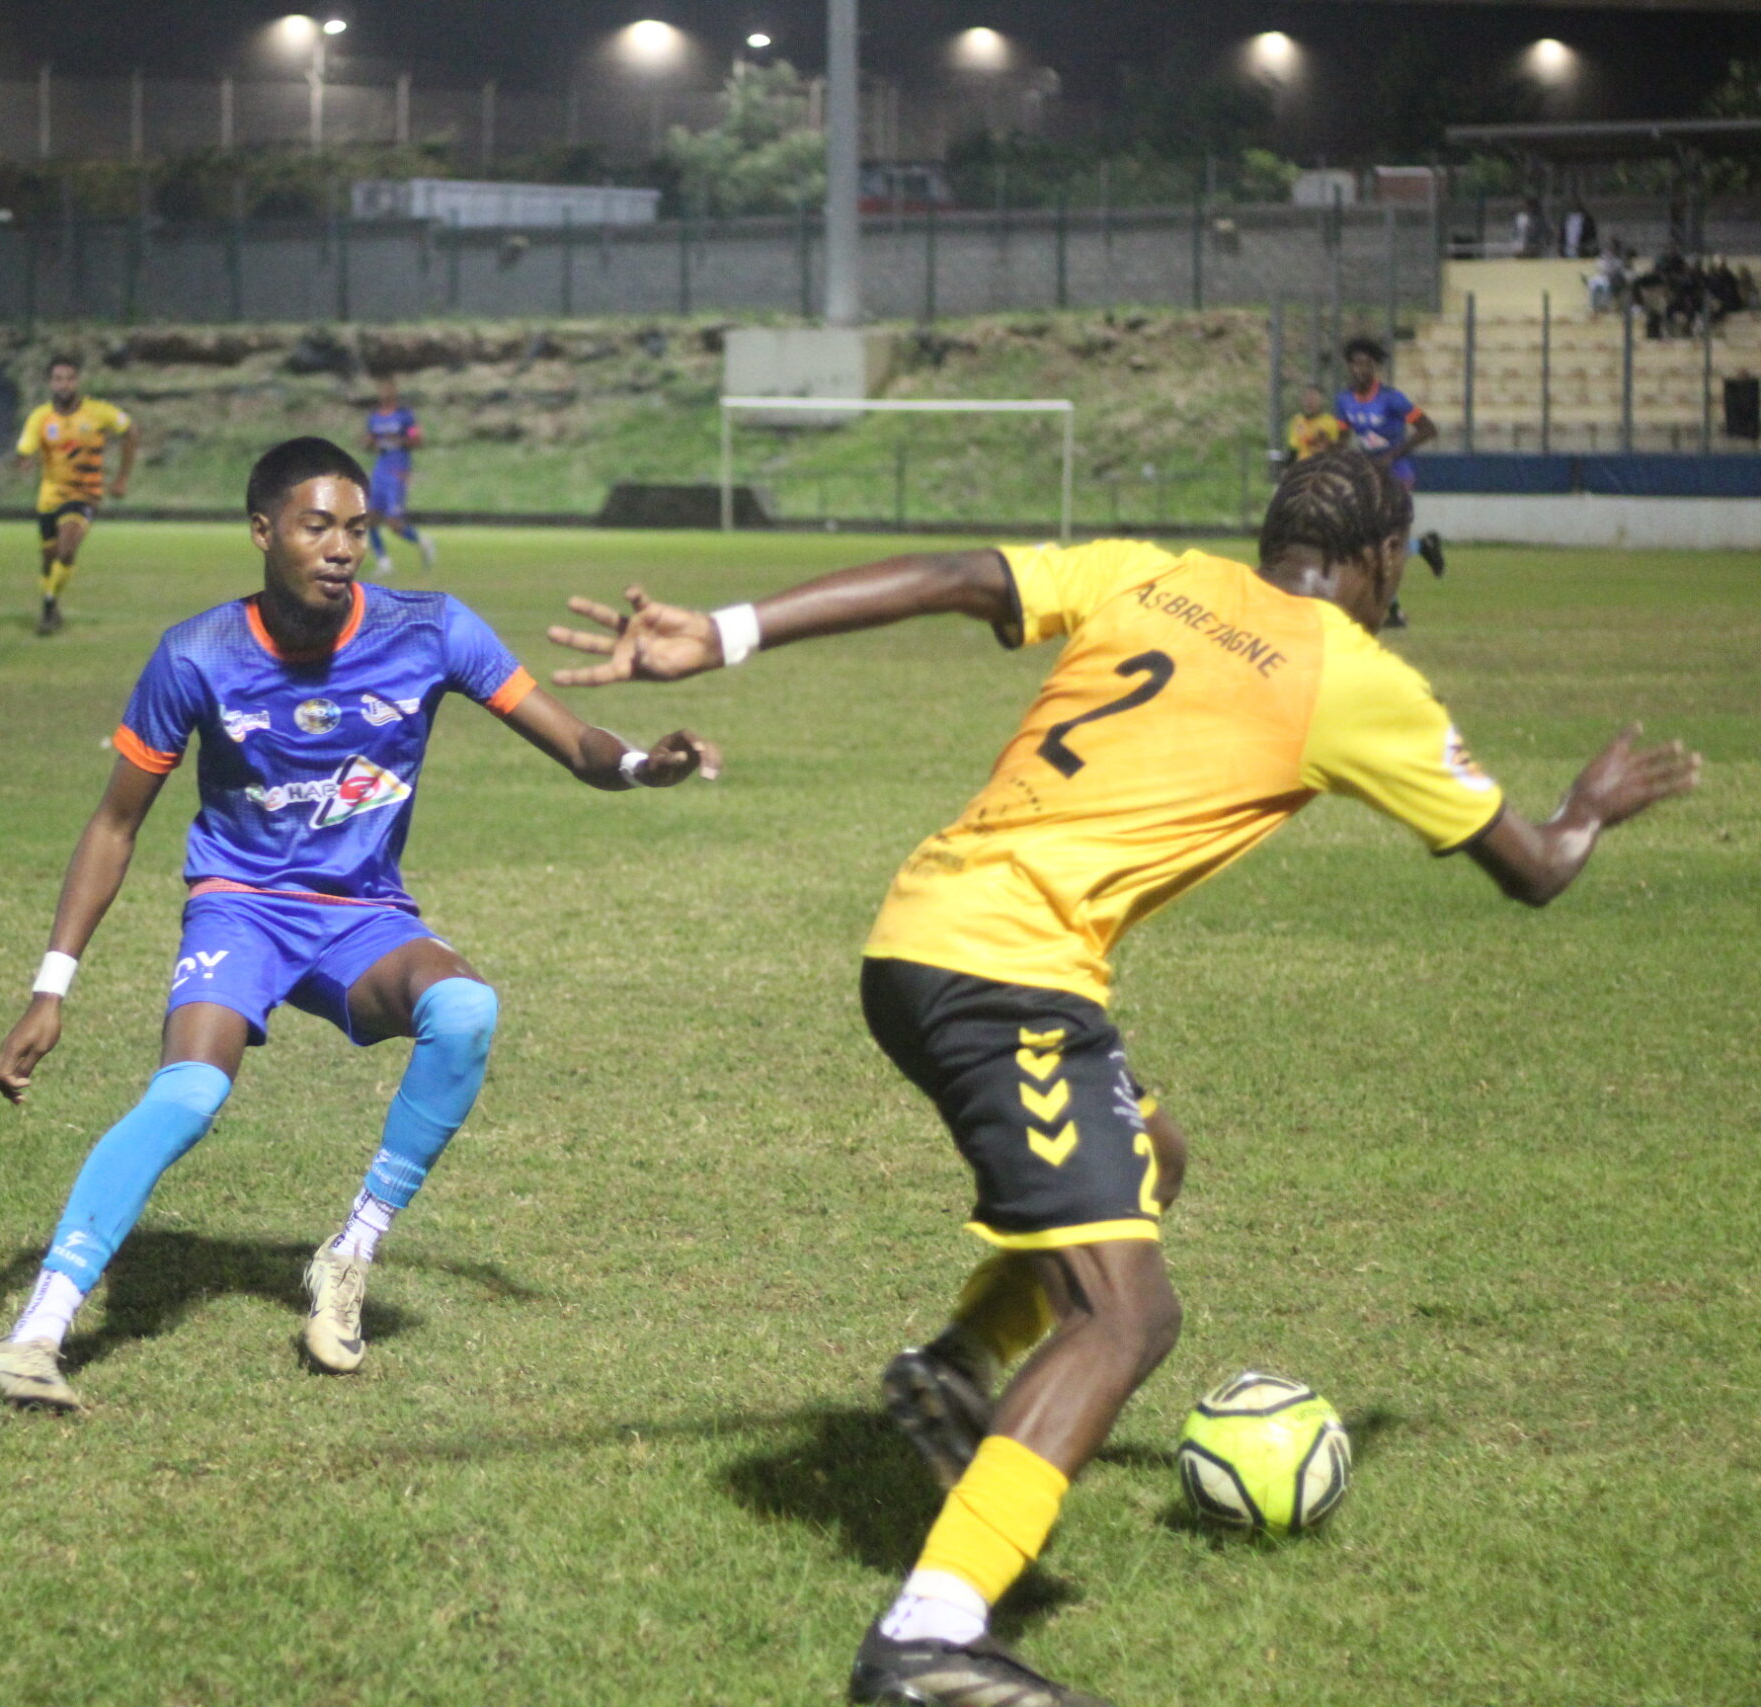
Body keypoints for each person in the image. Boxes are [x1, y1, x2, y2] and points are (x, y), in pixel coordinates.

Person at [544, 447, 1701, 1707]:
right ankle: (930, 1637)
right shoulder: (1355, 679)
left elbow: (950, 574)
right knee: (1125, 1315)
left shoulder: (1150, 575)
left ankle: (956, 1367)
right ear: (1374, 561)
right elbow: (1530, 866)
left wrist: (718, 632)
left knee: (1153, 1156)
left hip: (928, 932)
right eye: (1398, 571)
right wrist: (1586, 808)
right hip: (1004, 977)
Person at [0, 436, 719, 1413]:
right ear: (262, 532)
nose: (341, 547)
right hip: (238, 909)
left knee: (464, 1012)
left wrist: (638, 767)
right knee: (190, 1094)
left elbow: (572, 740)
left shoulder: (431, 630)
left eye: (357, 530)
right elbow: (115, 823)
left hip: (362, 916)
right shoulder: (195, 653)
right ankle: (37, 1334)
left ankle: (351, 1250)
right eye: (316, 525)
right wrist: (51, 986)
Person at [14, 354, 138, 637]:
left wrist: (121, 477)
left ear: (77, 381)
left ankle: (47, 611)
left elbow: (131, 430)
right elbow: (25, 449)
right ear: (50, 382)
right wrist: (24, 461)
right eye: (58, 378)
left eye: (69, 378)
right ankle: (52, 601)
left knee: (67, 549)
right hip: (49, 497)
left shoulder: (97, 411)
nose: (64, 384)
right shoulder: (40, 417)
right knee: (49, 559)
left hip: (85, 495)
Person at [1335, 336, 1444, 625]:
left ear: (1375, 369)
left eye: (1367, 364)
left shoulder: (1392, 399)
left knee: (1380, 543)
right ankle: (1422, 549)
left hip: (1396, 475)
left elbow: (1428, 429)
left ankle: (1394, 611)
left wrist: (1394, 454)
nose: (1361, 370)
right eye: (1356, 364)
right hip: (1368, 476)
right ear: (1349, 367)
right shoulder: (1343, 401)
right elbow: (1343, 438)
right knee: (1373, 547)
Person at [362, 374, 436, 576]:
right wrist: (370, 442)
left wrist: (401, 440)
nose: (384, 394)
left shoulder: (404, 416)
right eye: (381, 391)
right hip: (380, 471)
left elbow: (417, 439)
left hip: (397, 471)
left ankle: (423, 542)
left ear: (394, 393)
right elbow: (368, 441)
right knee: (369, 519)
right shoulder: (375, 417)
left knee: (394, 524)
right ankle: (384, 562)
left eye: (388, 391)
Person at [1283, 383, 1347, 466]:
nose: (1309, 401)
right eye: (1306, 397)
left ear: (1321, 400)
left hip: (1322, 466)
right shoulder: (1297, 420)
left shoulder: (1329, 421)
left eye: (1313, 398)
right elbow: (1293, 449)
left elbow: (1333, 449)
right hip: (1301, 467)